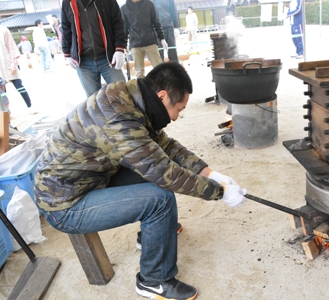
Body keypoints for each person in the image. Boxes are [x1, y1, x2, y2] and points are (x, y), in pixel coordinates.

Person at [34, 62, 247, 300]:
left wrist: (209, 172)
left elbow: (165, 146)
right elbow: (164, 172)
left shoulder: (130, 98)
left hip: (87, 178)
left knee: (158, 185)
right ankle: (154, 280)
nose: (177, 117)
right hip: (65, 204)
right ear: (162, 96)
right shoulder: (119, 118)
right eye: (179, 109)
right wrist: (218, 192)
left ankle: (153, 236)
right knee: (160, 199)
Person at [61, 0, 126, 97]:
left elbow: (118, 24)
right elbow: (66, 28)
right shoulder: (68, 2)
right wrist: (67, 53)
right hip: (84, 62)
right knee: (93, 101)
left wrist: (120, 48)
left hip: (108, 58)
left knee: (122, 94)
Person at [121, 0, 168, 79]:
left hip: (150, 42)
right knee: (139, 72)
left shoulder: (149, 4)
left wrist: (162, 38)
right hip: (135, 44)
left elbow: (156, 22)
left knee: (160, 69)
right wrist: (123, 45)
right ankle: (143, 90)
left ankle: (163, 88)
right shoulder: (124, 8)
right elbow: (124, 29)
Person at [0, 25, 34, 111]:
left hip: (8, 63)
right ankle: (7, 111)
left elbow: (12, 48)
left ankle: (29, 105)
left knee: (19, 85)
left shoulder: (3, 29)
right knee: (2, 91)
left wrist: (13, 64)